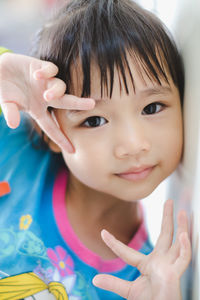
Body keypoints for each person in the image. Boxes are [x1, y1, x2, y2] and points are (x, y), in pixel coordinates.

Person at [0, 0, 191, 299]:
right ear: (48, 127)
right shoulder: (11, 148)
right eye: (94, 120)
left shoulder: (147, 278)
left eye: (152, 107)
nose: (132, 145)